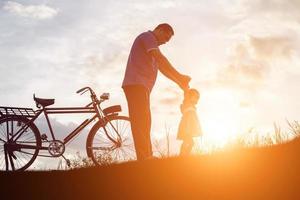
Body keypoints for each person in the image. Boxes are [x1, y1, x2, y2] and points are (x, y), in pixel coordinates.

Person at [122, 23, 191, 160]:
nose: (164, 42)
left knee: (145, 120)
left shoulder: (152, 47)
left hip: (141, 87)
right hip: (136, 84)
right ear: (159, 30)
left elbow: (164, 69)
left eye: (167, 41)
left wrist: (180, 82)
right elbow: (161, 58)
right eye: (165, 37)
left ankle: (147, 155)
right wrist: (180, 76)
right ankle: (145, 157)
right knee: (141, 120)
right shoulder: (147, 37)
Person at [177, 88, 202, 155]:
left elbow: (193, 119)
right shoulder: (187, 103)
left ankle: (185, 154)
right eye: (196, 97)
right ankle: (182, 154)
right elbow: (186, 94)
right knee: (187, 141)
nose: (197, 99)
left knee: (190, 142)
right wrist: (186, 87)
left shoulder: (192, 106)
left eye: (198, 98)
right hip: (186, 126)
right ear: (189, 97)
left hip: (190, 127)